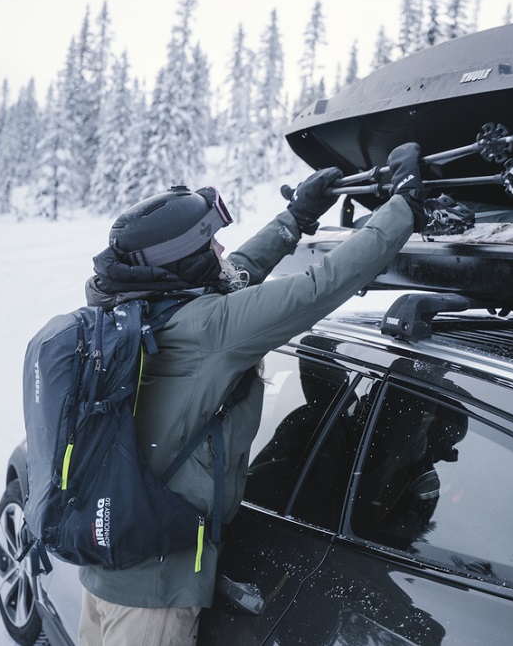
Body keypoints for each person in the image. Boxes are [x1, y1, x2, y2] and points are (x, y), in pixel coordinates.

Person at [75, 142, 428, 646]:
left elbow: (234, 273)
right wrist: (403, 208)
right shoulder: (211, 329)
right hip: (155, 591)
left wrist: (297, 218)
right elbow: (320, 285)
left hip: (108, 558)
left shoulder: (134, 306)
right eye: (209, 245)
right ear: (185, 263)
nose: (220, 250)